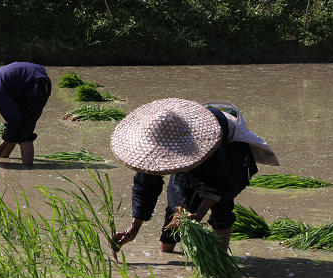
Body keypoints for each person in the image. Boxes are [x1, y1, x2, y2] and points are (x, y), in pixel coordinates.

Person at [109, 98, 279, 256]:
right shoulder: (151, 148)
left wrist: (199, 213)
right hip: (187, 144)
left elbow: (218, 181)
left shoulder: (205, 139)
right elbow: (145, 188)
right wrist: (133, 230)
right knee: (176, 210)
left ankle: (220, 259)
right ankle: (165, 256)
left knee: (222, 208)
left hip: (228, 150)